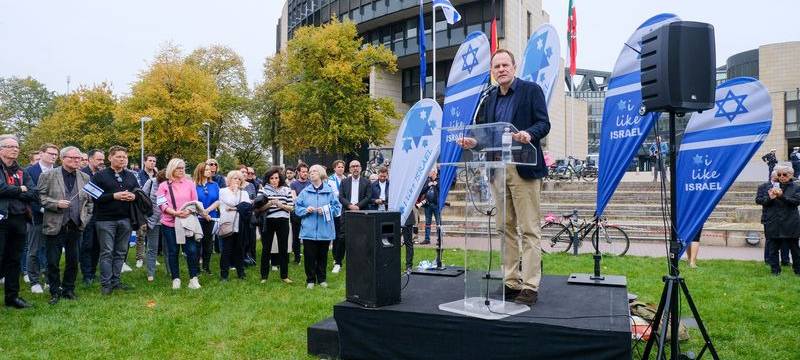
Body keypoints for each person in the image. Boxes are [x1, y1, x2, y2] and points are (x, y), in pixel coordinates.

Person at [458, 49, 550, 307]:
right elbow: (485, 135)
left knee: (529, 229)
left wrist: (528, 134)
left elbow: (544, 124)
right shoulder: (488, 98)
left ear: (514, 66)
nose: (501, 69)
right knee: (504, 227)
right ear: (493, 71)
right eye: (496, 66)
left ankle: (530, 285)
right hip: (497, 170)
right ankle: (511, 281)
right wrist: (472, 142)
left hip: (523, 167)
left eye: (505, 65)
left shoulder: (531, 91)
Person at [38, 146, 93, 305]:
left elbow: (90, 203)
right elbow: (40, 197)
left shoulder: (85, 177)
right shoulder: (48, 175)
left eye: (79, 158)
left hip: (76, 225)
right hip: (55, 224)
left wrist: (85, 219)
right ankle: (55, 291)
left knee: (73, 260)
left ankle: (69, 289)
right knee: (53, 261)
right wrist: (56, 203)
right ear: (63, 159)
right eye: (73, 158)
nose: (77, 160)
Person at [91, 145, 139, 295]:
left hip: (125, 219)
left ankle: (116, 281)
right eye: (119, 156)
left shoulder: (131, 176)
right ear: (110, 158)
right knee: (107, 252)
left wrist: (134, 196)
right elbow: (93, 197)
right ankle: (106, 284)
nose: (122, 159)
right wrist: (114, 196)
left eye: (125, 157)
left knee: (121, 252)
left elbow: (138, 192)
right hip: (105, 220)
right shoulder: (99, 176)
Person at [0, 134, 38, 308]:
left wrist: (15, 190)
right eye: (10, 146)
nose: (15, 149)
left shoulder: (22, 171)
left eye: (17, 147)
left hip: (19, 219)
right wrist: (19, 189)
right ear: (1, 149)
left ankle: (12, 297)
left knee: (15, 259)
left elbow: (32, 192)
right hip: (2, 219)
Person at [157, 158, 204, 290]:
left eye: (183, 168)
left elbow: (195, 202)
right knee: (173, 251)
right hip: (169, 223)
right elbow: (161, 204)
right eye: (179, 168)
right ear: (172, 169)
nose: (182, 170)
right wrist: (175, 213)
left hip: (187, 222)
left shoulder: (190, 184)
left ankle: (193, 278)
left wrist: (188, 211)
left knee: (191, 250)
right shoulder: (164, 185)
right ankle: (176, 278)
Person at [295, 164, 341, 289]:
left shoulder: (329, 191)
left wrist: (326, 210)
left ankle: (321, 279)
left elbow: (337, 209)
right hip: (308, 231)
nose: (311, 173)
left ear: (321, 173)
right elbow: (297, 209)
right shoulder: (305, 192)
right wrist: (306, 210)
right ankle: (310, 280)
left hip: (324, 230)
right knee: (309, 257)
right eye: (310, 172)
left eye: (314, 171)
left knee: (323, 256)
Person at [25, 143, 59, 295]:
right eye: (50, 153)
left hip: (55, 217)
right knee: (34, 250)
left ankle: (49, 280)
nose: (53, 156)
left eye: (55, 154)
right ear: (42, 153)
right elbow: (30, 195)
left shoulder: (59, 171)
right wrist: (42, 208)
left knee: (51, 250)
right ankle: (34, 281)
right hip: (36, 216)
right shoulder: (29, 171)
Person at [755, 164, 800, 276]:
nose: (781, 176)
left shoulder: (796, 187)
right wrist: (770, 198)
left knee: (795, 249)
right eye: (779, 174)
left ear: (791, 175)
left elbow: (795, 202)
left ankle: (798, 270)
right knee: (773, 249)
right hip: (774, 222)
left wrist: (781, 196)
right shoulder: (772, 186)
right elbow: (763, 202)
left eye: (784, 174)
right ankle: (775, 272)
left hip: (790, 223)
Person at [254, 167, 294, 283]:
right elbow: (259, 208)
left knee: (283, 248)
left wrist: (280, 205)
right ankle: (264, 277)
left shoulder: (287, 190)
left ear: (280, 178)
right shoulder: (263, 190)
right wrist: (270, 203)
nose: (274, 180)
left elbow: (291, 208)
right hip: (268, 221)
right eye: (272, 178)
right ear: (268, 179)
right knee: (266, 249)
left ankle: (284, 276)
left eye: (276, 178)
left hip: (283, 221)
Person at [336, 160, 371, 273]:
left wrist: (358, 206)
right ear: (350, 169)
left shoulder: (367, 182)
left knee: (361, 238)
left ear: (360, 168)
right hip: (347, 213)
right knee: (342, 238)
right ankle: (338, 263)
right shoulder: (344, 182)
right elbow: (341, 197)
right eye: (353, 166)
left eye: (357, 166)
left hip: (361, 213)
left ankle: (359, 262)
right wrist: (350, 205)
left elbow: (368, 197)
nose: (355, 168)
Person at [218, 170, 251, 280]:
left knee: (239, 250)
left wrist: (235, 208)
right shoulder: (223, 191)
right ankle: (224, 275)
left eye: (239, 179)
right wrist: (237, 205)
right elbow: (231, 201)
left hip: (240, 225)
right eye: (234, 178)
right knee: (226, 250)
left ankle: (241, 273)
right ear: (229, 179)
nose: (237, 181)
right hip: (227, 225)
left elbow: (246, 207)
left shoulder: (244, 193)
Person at [80, 149, 105, 285]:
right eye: (99, 159)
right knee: (87, 244)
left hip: (101, 214)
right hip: (87, 214)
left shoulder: (103, 174)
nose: (102, 162)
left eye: (103, 160)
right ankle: (86, 274)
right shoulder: (83, 174)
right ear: (90, 159)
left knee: (97, 245)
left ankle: (93, 271)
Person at [193, 162, 220, 274]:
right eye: (207, 169)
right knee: (197, 243)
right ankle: (196, 268)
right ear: (200, 171)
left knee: (208, 243)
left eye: (210, 169)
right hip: (197, 218)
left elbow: (218, 200)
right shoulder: (193, 185)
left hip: (211, 217)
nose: (210, 171)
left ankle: (206, 266)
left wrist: (208, 211)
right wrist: (203, 213)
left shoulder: (214, 185)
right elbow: (193, 201)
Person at [142, 170, 166, 281]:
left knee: (169, 248)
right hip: (152, 221)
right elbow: (141, 199)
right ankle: (150, 273)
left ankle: (172, 272)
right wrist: (144, 219)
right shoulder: (151, 182)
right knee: (152, 248)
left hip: (168, 220)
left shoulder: (173, 183)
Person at [289, 163, 310, 264]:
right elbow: (294, 199)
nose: (305, 173)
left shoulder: (310, 183)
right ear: (298, 172)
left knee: (307, 236)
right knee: (296, 236)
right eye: (303, 172)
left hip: (308, 213)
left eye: (306, 171)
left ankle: (308, 257)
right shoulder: (293, 184)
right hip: (296, 213)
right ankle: (297, 258)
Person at [417, 168, 440, 245]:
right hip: (428, 205)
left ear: (434, 172)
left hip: (437, 205)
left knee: (438, 223)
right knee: (427, 223)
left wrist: (437, 185)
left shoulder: (439, 179)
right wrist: (427, 185)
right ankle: (427, 239)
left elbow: (442, 190)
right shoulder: (427, 180)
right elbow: (421, 191)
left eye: (430, 171)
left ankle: (439, 239)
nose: (428, 173)